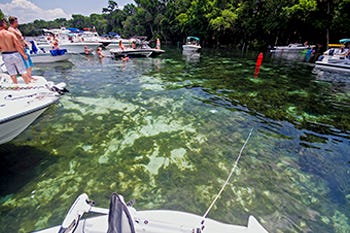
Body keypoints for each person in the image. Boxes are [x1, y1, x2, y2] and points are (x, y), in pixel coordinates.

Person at [0, 18, 30, 84]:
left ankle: (16, 87)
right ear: (3, 24)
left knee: (12, 73)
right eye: (5, 23)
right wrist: (24, 55)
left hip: (5, 55)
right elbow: (18, 45)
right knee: (22, 71)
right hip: (14, 53)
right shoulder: (10, 34)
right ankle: (28, 85)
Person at [8, 16, 35, 81]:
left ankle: (30, 76)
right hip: (19, 49)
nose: (18, 23)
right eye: (16, 22)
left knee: (30, 64)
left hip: (24, 47)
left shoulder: (16, 29)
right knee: (25, 64)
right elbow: (15, 41)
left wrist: (26, 43)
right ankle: (28, 78)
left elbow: (21, 38)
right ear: (13, 22)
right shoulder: (11, 30)